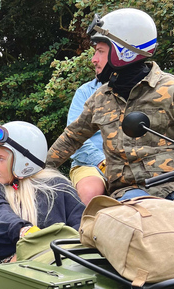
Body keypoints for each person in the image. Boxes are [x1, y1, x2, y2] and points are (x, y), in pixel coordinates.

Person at [46, 8, 174, 201]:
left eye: (100, 51)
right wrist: (34, 172)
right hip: (131, 192)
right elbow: (71, 139)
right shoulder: (99, 98)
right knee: (137, 223)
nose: (94, 59)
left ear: (124, 52)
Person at [0, 121, 85, 264]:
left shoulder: (58, 185)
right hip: (12, 267)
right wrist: (23, 230)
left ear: (24, 161)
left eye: (1, 159)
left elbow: (81, 223)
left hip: (62, 260)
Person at [67, 42, 109, 205]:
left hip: (134, 163)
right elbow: (75, 141)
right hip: (91, 164)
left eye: (100, 52)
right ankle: (81, 229)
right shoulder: (84, 93)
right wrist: (105, 165)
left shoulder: (143, 91)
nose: (93, 60)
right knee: (91, 190)